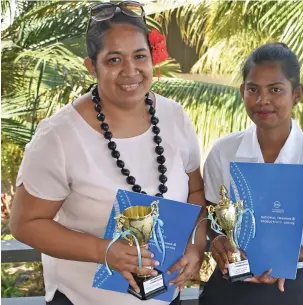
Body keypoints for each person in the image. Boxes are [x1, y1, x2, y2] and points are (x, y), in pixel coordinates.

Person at [10, 2, 207, 305]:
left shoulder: (174, 117)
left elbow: (195, 190)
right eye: (114, 59)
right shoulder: (59, 136)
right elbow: (25, 224)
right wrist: (104, 250)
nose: (130, 71)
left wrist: (196, 244)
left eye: (139, 56)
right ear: (92, 66)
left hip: (166, 296)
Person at [200, 43, 303, 305]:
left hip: (291, 287)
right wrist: (218, 241)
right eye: (253, 89)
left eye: (275, 90)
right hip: (231, 283)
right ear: (243, 92)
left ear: (296, 94)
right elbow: (212, 220)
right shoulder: (223, 151)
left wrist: (285, 258)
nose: (263, 100)